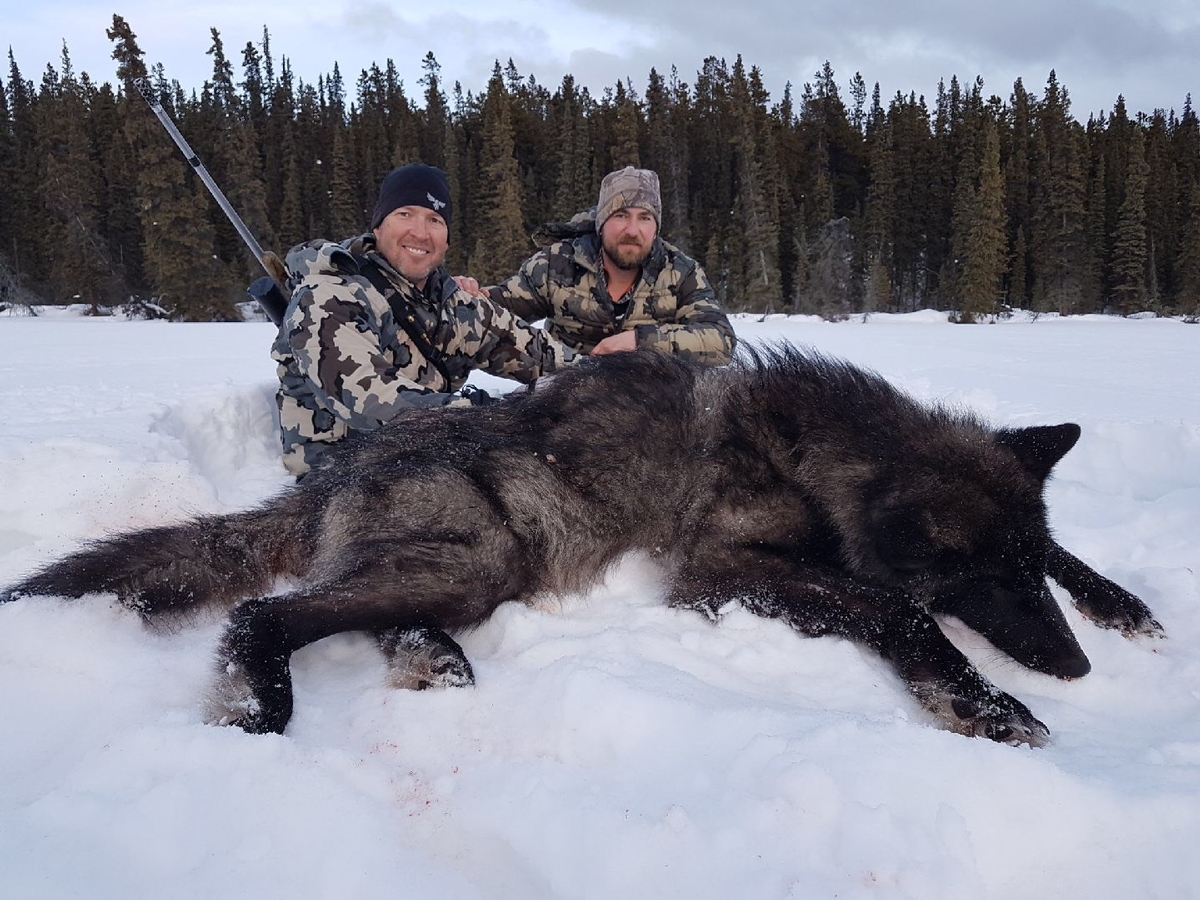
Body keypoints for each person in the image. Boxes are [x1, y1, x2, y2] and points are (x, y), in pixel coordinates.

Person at [271, 163, 576, 477]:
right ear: (378, 226)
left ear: (446, 239)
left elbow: (540, 354)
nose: (420, 232)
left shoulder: (454, 305)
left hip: (429, 464)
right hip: (342, 482)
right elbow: (370, 399)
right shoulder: (328, 295)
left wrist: (608, 383)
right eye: (405, 214)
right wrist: (485, 414)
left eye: (434, 219)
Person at [459, 166, 736, 365]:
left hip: (652, 407)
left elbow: (720, 340)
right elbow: (499, 308)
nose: (632, 230)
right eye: (621, 215)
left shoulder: (681, 272)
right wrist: (469, 294)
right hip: (563, 397)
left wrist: (639, 342)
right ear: (601, 224)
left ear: (656, 228)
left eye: (644, 218)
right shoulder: (557, 263)